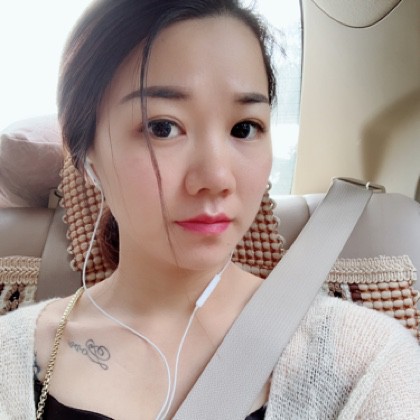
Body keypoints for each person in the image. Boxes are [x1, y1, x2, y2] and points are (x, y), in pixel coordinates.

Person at [0, 0, 420, 419]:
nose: (217, 177)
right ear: (87, 153)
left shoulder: (368, 366)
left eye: (244, 128)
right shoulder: (10, 359)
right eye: (162, 127)